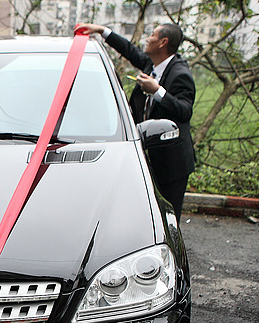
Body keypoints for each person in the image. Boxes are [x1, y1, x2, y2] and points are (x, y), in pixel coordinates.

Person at [75, 22, 196, 221]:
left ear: (163, 42)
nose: (148, 39)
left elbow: (185, 111)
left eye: (153, 35)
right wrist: (101, 30)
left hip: (172, 161)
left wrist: (157, 91)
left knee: (168, 217)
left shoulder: (180, 74)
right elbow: (130, 51)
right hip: (147, 155)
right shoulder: (153, 64)